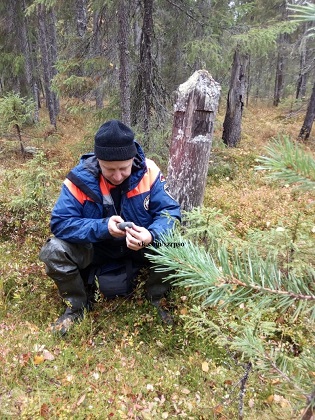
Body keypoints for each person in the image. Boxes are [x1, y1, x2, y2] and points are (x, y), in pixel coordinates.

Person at [39, 119, 181, 334]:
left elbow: (170, 212)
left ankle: (155, 299)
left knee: (179, 245)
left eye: (123, 168)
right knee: (54, 251)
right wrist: (103, 227)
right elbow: (60, 223)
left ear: (132, 158)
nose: (117, 176)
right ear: (98, 160)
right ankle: (76, 307)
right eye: (109, 169)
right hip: (96, 248)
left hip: (139, 246)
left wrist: (150, 235)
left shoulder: (149, 171)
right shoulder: (79, 179)